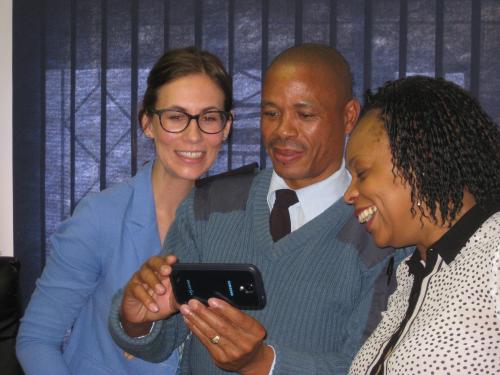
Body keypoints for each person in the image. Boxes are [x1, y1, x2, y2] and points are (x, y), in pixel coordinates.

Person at [109, 43, 411, 375]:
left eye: (305, 114)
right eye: (271, 113)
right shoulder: (210, 206)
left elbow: (370, 366)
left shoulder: (382, 231)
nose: (283, 130)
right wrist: (138, 320)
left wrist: (264, 364)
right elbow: (163, 339)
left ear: (349, 116)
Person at [16, 46, 233, 375]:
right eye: (175, 117)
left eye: (208, 118)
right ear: (148, 123)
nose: (194, 135)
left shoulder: (231, 222)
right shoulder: (99, 218)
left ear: (226, 127)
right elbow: (35, 340)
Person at [345, 76, 500, 374]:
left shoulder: (494, 252)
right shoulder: (412, 273)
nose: (349, 194)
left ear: (419, 158)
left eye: (361, 173)